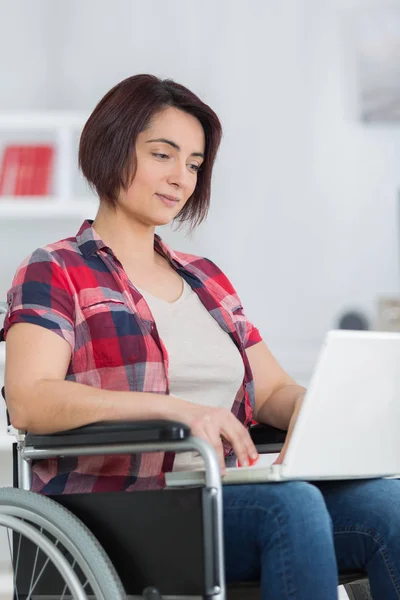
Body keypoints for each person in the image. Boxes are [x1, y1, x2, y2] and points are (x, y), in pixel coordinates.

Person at [3, 74, 400, 600]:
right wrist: (176, 409)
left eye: (193, 164)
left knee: (387, 509)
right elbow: (32, 400)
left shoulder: (205, 277)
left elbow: (273, 391)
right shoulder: (55, 269)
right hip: (125, 505)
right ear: (111, 147)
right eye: (163, 155)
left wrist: (318, 409)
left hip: (225, 491)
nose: (181, 179)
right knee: (293, 508)